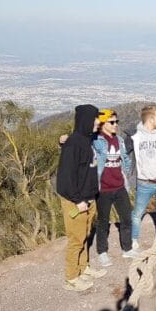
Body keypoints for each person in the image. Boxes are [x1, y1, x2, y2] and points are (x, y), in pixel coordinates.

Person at [55, 104, 107, 292]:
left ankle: (83, 268)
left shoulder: (86, 140)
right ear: (86, 120)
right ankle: (71, 277)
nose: (97, 122)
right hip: (77, 201)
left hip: (88, 198)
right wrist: (78, 200)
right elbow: (65, 179)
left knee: (84, 236)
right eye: (94, 118)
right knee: (76, 239)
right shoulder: (74, 144)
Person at [93, 109, 135, 266]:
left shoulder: (119, 140)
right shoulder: (96, 140)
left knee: (126, 218)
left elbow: (124, 158)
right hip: (103, 189)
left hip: (120, 186)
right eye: (112, 122)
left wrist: (126, 175)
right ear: (103, 124)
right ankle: (102, 251)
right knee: (103, 222)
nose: (115, 125)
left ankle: (127, 248)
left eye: (116, 121)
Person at [130, 105, 156, 250]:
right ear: (151, 119)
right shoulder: (135, 137)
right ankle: (134, 239)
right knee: (138, 213)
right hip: (144, 182)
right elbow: (125, 155)